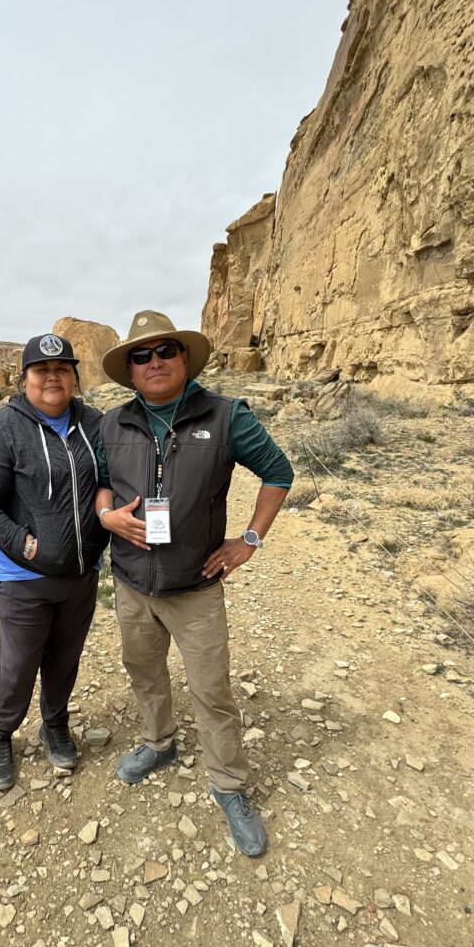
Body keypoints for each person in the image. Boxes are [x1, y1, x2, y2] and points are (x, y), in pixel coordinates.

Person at [95, 310, 293, 857]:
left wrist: (249, 540)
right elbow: (103, 485)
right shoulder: (112, 424)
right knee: (145, 672)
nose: (154, 362)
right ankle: (158, 743)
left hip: (196, 587)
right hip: (133, 583)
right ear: (130, 370)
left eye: (165, 351)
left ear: (184, 359)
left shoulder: (227, 416)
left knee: (211, 690)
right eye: (141, 355)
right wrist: (107, 515)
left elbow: (279, 472)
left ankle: (229, 785)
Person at [0, 334, 108, 790]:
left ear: (74, 378)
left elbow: (111, 478)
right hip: (23, 577)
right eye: (42, 370)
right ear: (25, 378)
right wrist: (25, 545)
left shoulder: (94, 423)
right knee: (18, 664)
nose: (52, 377)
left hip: (81, 573)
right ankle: (0, 733)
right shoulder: (4, 427)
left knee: (65, 659)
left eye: (62, 369)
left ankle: (55, 723)